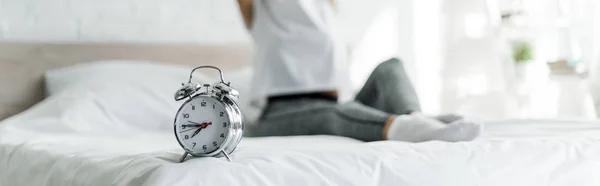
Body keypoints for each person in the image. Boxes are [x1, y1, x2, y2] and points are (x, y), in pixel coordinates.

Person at [236, 0, 483, 142]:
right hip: (282, 113)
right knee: (334, 115)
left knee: (391, 68)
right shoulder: (261, 12)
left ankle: (415, 118)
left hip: (341, 102)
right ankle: (412, 129)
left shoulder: (324, 11)